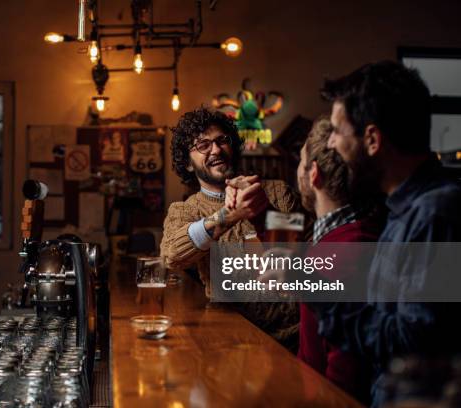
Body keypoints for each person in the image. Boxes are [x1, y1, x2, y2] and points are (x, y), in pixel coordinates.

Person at [316, 61, 461, 406]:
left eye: (337, 131)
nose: (332, 144)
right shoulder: (400, 208)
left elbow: (411, 346)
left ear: (372, 139)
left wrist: (317, 293)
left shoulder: (435, 214)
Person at [160, 107, 299, 345]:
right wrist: (229, 215)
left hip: (291, 336)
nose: (215, 149)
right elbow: (172, 255)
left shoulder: (277, 192)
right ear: (188, 164)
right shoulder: (185, 210)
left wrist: (263, 210)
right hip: (233, 338)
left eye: (221, 140)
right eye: (203, 145)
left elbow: (298, 258)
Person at [295, 117, 383, 403]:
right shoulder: (353, 235)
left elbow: (344, 373)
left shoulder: (343, 253)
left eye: (301, 161)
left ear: (313, 174)